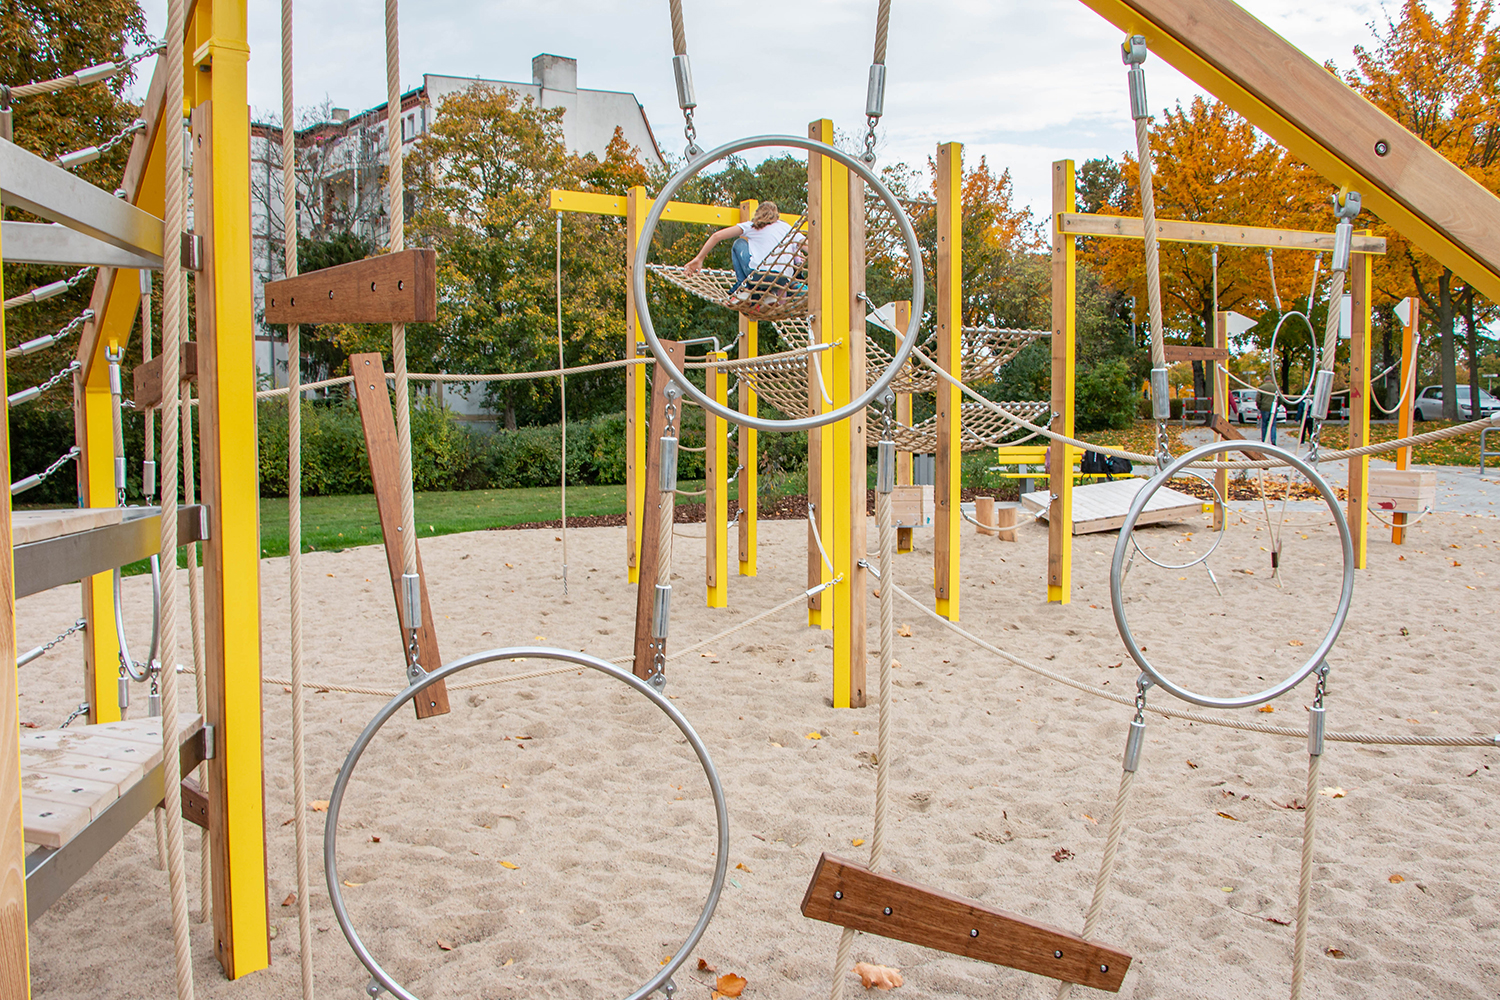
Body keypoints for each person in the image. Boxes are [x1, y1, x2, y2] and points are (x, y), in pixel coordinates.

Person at [685, 202, 802, 307]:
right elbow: (806, 245)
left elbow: (717, 236)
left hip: (758, 276)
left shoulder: (753, 225)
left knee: (739, 243)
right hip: (783, 280)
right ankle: (771, 295)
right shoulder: (786, 227)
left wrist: (699, 258)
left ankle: (743, 288)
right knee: (777, 264)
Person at [1256, 375, 1279, 445]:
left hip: (1264, 408)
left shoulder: (1261, 388)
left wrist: (1259, 406)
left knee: (1264, 424)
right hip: (1273, 408)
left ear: (1265, 380)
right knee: (1273, 424)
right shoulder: (1276, 388)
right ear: (1271, 380)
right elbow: (1280, 398)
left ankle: (1264, 440)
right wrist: (1277, 405)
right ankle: (1273, 439)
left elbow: (1258, 399)